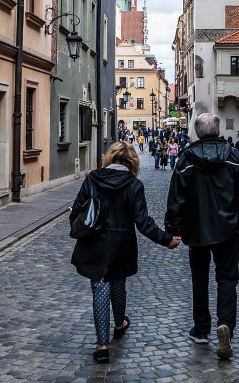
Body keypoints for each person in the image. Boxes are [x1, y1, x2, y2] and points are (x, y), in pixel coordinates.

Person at [70, 142, 181, 364]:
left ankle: (102, 346)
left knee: (100, 289)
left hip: (95, 244)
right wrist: (166, 239)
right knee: (118, 283)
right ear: (131, 162)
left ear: (109, 159)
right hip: (121, 245)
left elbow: (77, 210)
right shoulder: (134, 185)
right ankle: (119, 323)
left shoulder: (93, 179)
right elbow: (143, 222)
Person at [165, 113, 239, 360]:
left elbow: (176, 197)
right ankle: (225, 324)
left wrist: (173, 228)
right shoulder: (234, 157)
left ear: (197, 131)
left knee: (200, 280)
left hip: (196, 230)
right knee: (227, 279)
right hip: (227, 230)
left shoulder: (186, 159)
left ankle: (202, 329)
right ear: (217, 131)